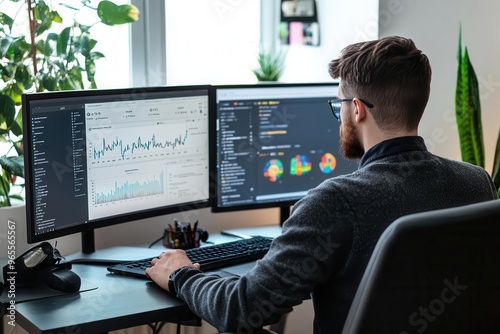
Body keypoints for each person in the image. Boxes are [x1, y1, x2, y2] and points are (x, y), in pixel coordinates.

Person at [146, 36, 498, 333]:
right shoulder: (476, 183)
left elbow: (242, 310)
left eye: (339, 105)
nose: (340, 115)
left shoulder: (335, 201)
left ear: (357, 109)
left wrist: (181, 274)